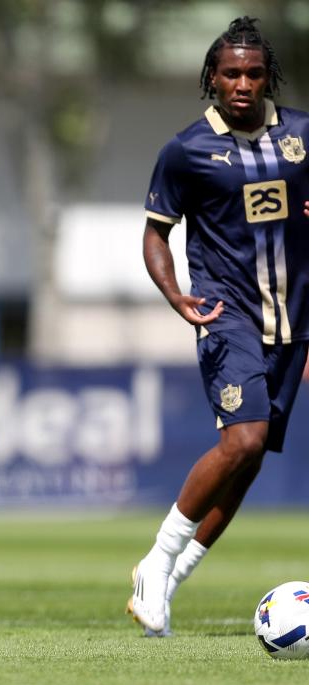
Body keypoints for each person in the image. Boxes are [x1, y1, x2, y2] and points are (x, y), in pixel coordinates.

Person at [129, 16, 309, 637]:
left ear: (268, 78)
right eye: (230, 72)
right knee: (243, 441)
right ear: (212, 77)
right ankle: (154, 563)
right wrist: (175, 292)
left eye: (253, 73)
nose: (242, 82)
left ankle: (175, 577)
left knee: (249, 461)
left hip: (294, 320)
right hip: (226, 313)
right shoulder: (186, 150)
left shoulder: (303, 137)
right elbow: (156, 234)